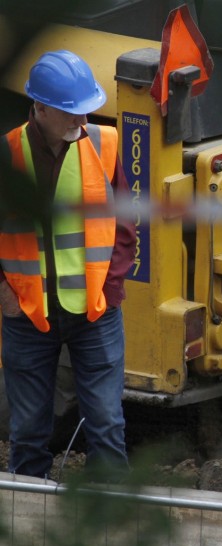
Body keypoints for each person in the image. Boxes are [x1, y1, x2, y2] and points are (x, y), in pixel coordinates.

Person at [0, 50, 135, 480]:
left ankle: (111, 525)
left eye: (84, 111)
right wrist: (3, 293)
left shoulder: (103, 145)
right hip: (27, 316)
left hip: (95, 314)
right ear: (39, 107)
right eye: (70, 112)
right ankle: (27, 530)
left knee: (108, 428)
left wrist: (111, 289)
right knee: (27, 433)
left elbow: (126, 226)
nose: (81, 120)